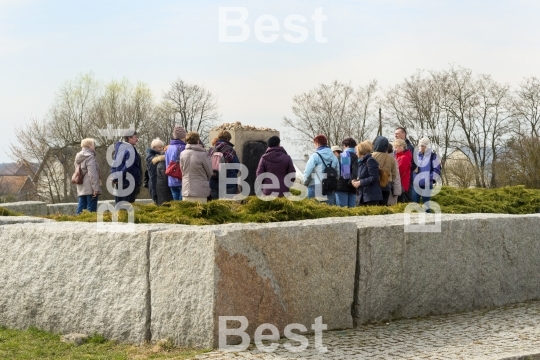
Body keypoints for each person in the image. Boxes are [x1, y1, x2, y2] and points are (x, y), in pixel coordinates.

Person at [303, 134, 339, 205]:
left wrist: (305, 182)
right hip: (330, 187)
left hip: (315, 186)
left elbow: (308, 172)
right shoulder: (334, 157)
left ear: (317, 144)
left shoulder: (315, 156)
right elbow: (338, 173)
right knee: (329, 212)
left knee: (314, 211)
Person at [179, 132, 212, 203]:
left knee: (186, 213)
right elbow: (209, 172)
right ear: (198, 141)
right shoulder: (203, 154)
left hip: (186, 189)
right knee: (201, 212)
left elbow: (182, 170)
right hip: (200, 189)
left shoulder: (182, 153)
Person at [110, 130, 141, 204]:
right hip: (128, 182)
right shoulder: (130, 149)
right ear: (129, 138)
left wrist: (115, 177)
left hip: (119, 183)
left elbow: (114, 165)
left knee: (119, 206)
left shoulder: (119, 150)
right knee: (127, 207)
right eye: (135, 137)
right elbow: (128, 166)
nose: (137, 139)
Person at [412, 137, 442, 212]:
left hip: (427, 185)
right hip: (416, 184)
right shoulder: (416, 156)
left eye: (422, 146)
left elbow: (436, 170)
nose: (420, 148)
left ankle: (428, 221)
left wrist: (428, 179)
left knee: (426, 206)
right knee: (415, 205)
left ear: (427, 147)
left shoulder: (433, 156)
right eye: (419, 146)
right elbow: (412, 168)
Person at [208, 130, 240, 200]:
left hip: (214, 181)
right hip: (228, 183)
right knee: (228, 207)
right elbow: (237, 166)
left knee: (215, 207)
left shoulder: (211, 150)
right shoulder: (230, 150)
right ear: (228, 139)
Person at [350, 140, 382, 206]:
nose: (356, 153)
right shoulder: (362, 162)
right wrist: (356, 181)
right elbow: (363, 176)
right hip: (364, 194)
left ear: (361, 151)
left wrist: (360, 182)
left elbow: (374, 177)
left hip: (371, 196)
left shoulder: (370, 160)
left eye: (357, 151)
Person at [74, 138, 101, 214]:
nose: (94, 146)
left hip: (81, 185)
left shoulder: (78, 157)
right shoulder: (90, 157)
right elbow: (92, 174)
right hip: (90, 187)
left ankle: (77, 223)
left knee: (81, 209)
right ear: (89, 145)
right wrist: (96, 188)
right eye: (93, 144)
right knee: (91, 211)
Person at [372, 136, 399, 206]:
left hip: (374, 185)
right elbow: (394, 174)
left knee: (374, 207)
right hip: (386, 184)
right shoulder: (391, 158)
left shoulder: (371, 156)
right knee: (383, 206)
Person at [334, 138, 358, 208]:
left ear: (346, 145)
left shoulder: (341, 156)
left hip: (341, 186)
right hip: (353, 185)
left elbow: (336, 170)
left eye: (343, 146)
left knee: (342, 210)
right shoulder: (358, 156)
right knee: (352, 209)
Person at [165, 126, 187, 200]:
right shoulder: (183, 147)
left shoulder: (169, 148)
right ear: (183, 136)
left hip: (171, 179)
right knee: (181, 206)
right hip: (180, 179)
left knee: (175, 203)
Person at [394, 127, 416, 202]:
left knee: (405, 199)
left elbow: (414, 163)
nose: (395, 135)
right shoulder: (398, 150)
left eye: (397, 134)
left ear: (404, 134)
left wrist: (407, 170)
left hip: (405, 179)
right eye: (395, 134)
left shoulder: (409, 148)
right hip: (399, 179)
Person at [146, 138, 164, 204]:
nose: (161, 148)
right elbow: (153, 175)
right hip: (155, 185)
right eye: (159, 147)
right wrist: (154, 190)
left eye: (162, 147)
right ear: (154, 148)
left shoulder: (157, 155)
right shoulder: (151, 158)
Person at [394, 139, 412, 203]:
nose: (395, 149)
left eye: (396, 147)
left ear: (401, 147)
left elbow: (400, 172)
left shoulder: (404, 158)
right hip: (401, 183)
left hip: (402, 184)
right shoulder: (399, 156)